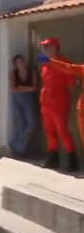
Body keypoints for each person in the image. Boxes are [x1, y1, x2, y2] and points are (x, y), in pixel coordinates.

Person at [37, 39, 79, 172]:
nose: (45, 49)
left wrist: (64, 98)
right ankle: (53, 158)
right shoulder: (45, 64)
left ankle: (72, 160)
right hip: (46, 101)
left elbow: (72, 85)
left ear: (55, 47)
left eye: (47, 46)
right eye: (44, 47)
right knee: (49, 131)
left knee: (63, 131)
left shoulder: (65, 63)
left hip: (59, 101)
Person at [9, 55, 38, 158]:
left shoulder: (31, 72)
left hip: (29, 98)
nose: (21, 63)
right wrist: (24, 89)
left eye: (22, 61)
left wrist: (23, 88)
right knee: (19, 123)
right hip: (17, 98)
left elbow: (34, 87)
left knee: (31, 123)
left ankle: (16, 144)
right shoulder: (13, 73)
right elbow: (13, 88)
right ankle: (20, 149)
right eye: (18, 62)